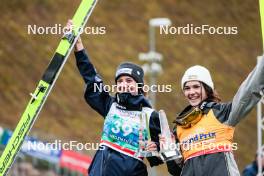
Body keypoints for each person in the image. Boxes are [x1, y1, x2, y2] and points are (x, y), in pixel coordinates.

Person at [69, 20, 163, 176]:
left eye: (129, 80)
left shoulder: (150, 115)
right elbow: (92, 79)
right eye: (119, 81)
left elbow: (169, 145)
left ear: (138, 85)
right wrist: (79, 48)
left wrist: (156, 146)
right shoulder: (110, 104)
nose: (124, 84)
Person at [164, 58, 264, 176]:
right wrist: (168, 150)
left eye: (196, 86)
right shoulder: (179, 126)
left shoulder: (222, 113)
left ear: (207, 88)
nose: (191, 92)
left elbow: (248, 91)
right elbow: (176, 171)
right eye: (187, 88)